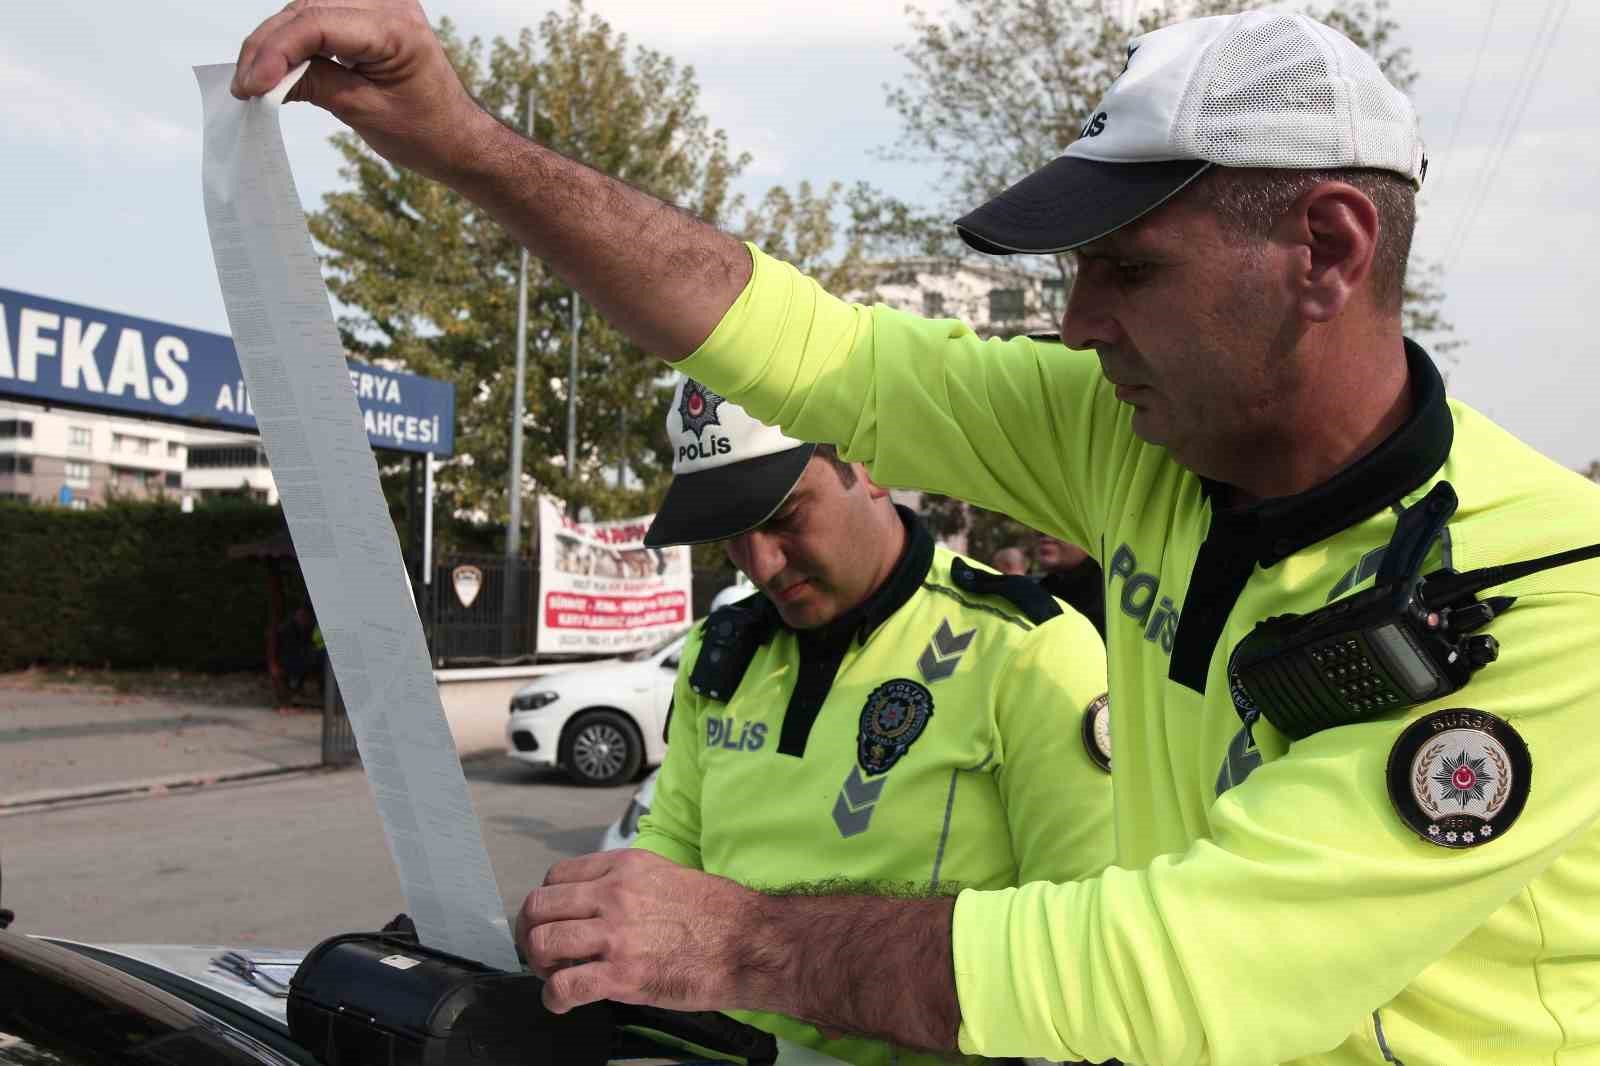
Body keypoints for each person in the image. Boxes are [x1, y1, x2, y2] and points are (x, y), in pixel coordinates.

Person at [234, 7, 1600, 1064]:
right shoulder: (1137, 441)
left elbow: (1194, 966)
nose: (1076, 323)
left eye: (1129, 269)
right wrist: (460, 139)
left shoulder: (1541, 584)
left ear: (1330, 247)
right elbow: (812, 350)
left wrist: (743, 943)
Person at [632, 376, 1112, 1066]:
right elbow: (672, 840)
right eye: (730, 536)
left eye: (784, 515)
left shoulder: (1027, 648)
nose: (760, 563)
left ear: (872, 465)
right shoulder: (721, 647)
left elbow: (1081, 951)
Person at [1032, 534, 1105, 636]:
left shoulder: (1110, 592)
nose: (1044, 534)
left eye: (1059, 524)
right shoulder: (1043, 589)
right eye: (1038, 524)